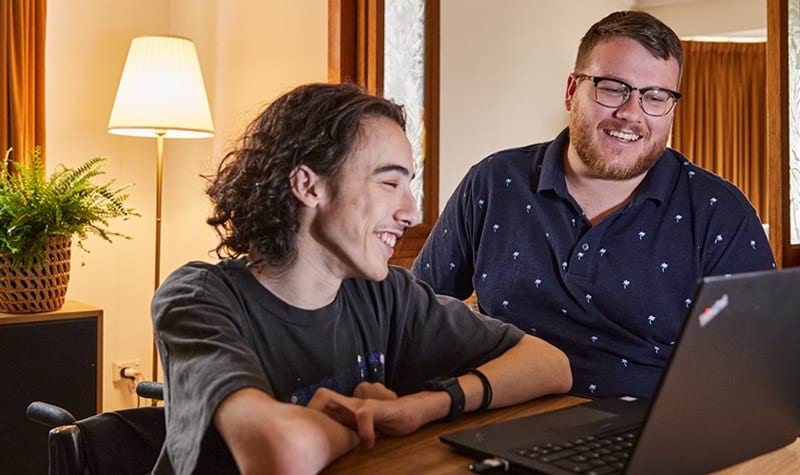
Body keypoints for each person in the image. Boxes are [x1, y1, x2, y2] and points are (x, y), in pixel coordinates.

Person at [150, 83, 572, 474]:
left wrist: (423, 406)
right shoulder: (197, 298)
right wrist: (361, 418)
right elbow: (282, 452)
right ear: (308, 186)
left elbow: (550, 366)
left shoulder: (385, 294)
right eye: (390, 183)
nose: (409, 211)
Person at [411, 11, 775, 399]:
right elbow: (416, 319)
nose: (631, 114)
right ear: (571, 90)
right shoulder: (493, 182)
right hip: (495, 418)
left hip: (649, 438)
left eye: (654, 97)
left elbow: (758, 375)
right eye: (613, 88)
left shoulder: (720, 213)